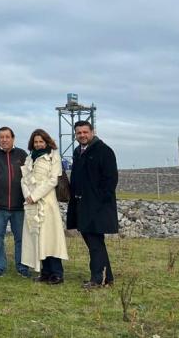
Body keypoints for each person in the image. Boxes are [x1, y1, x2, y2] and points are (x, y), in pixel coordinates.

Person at [66, 121, 118, 288]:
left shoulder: (104, 151)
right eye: (79, 133)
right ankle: (106, 277)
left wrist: (99, 201)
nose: (82, 135)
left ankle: (97, 279)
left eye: (85, 132)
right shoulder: (78, 152)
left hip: (97, 208)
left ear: (92, 132)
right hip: (82, 206)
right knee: (95, 243)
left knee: (95, 244)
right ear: (75, 135)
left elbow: (110, 180)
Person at [20, 129, 69, 284]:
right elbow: (24, 179)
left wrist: (35, 196)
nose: (39, 144)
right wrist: (28, 195)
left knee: (51, 238)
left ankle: (57, 273)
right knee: (38, 238)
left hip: (47, 203)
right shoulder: (29, 158)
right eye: (36, 142)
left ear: (47, 142)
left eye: (41, 141)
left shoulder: (53, 157)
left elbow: (53, 180)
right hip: (31, 204)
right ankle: (45, 272)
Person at [0, 126, 30, 277]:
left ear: (13, 138)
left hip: (19, 207)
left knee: (21, 239)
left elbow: (29, 179)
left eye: (7, 137)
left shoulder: (22, 154)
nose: (4, 139)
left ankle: (22, 267)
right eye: (1, 137)